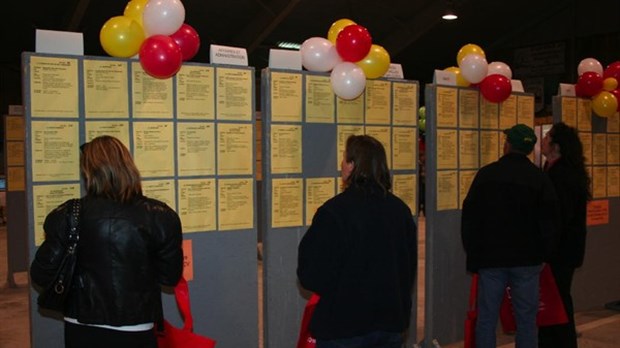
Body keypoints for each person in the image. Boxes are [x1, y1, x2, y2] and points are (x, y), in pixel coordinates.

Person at [31, 135, 183, 348]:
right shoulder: (160, 215)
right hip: (136, 324)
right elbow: (169, 277)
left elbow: (41, 274)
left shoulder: (66, 214)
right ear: (128, 166)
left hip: (81, 323)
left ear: (88, 172)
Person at [297, 135, 417, 348]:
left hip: (343, 327)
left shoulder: (333, 212)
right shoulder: (400, 211)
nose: (341, 165)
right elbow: (407, 268)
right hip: (389, 324)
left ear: (352, 166)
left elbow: (310, 274)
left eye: (344, 159)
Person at [461, 124, 558, 348]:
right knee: (526, 320)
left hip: (491, 260)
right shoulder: (540, 179)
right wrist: (544, 254)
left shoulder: (486, 175)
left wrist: (474, 254)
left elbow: (470, 218)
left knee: (486, 319)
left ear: (507, 145)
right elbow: (551, 221)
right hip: (528, 261)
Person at [538, 122, 591, 348]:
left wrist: (546, 247)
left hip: (561, 251)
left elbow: (559, 216)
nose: (543, 139)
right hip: (561, 249)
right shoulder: (553, 169)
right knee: (555, 299)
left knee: (558, 299)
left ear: (556, 146)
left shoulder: (562, 175)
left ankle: (561, 342)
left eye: (548, 136)